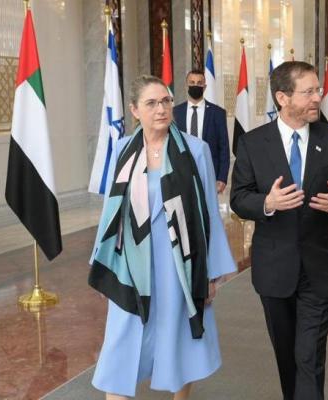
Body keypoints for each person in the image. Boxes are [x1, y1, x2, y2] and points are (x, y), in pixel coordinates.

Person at [89, 75, 236, 400]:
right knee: (121, 338)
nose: (161, 109)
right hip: (130, 262)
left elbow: (208, 213)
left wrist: (210, 273)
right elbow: (112, 210)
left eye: (166, 101)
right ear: (134, 110)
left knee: (178, 335)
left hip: (179, 264)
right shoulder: (123, 149)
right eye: (152, 103)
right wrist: (102, 263)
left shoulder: (195, 150)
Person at [230, 61, 328, 400]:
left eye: (318, 90)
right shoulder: (252, 143)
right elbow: (239, 198)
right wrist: (267, 202)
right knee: (287, 356)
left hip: (321, 269)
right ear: (282, 97)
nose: (317, 97)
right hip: (274, 269)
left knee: (309, 355)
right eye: (308, 92)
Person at [173, 69, 230, 194]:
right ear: (186, 85)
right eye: (192, 82)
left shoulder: (218, 113)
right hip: (181, 173)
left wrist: (222, 178)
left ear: (205, 87)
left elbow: (224, 147)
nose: (196, 85)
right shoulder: (175, 112)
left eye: (199, 83)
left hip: (209, 172)